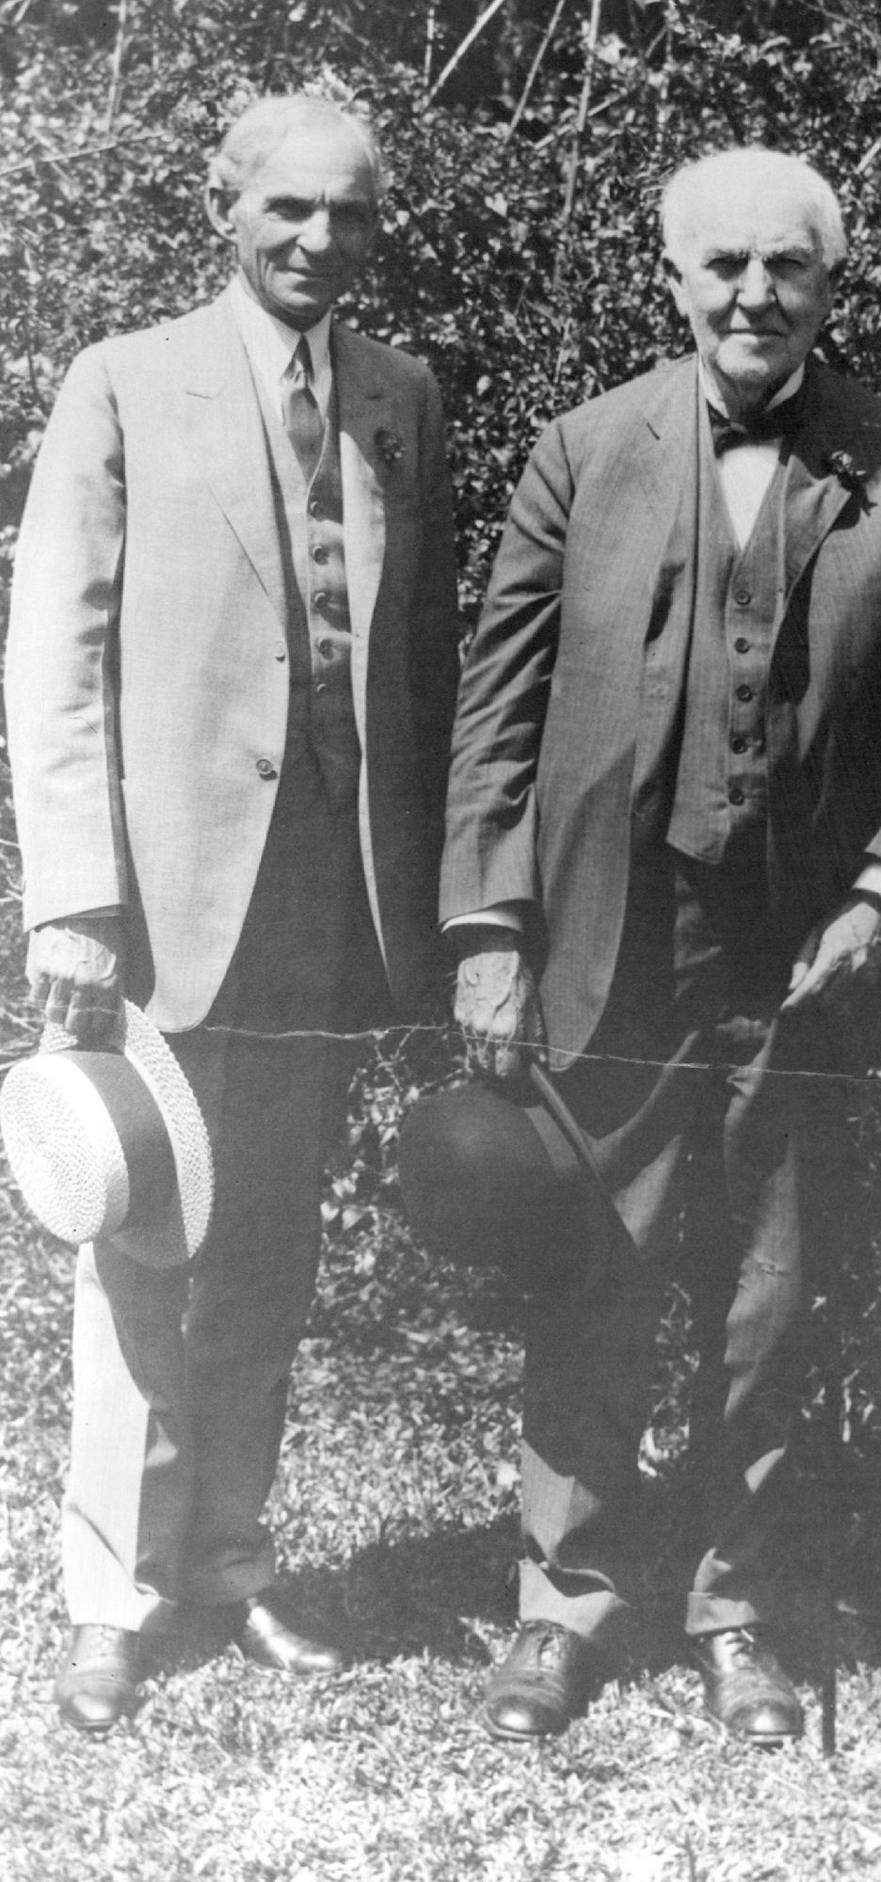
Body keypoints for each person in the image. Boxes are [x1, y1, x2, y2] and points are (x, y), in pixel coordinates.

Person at [441, 146, 881, 1745]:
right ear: (673, 281)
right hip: (615, 931)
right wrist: (490, 927)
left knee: (775, 1294)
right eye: (723, 266)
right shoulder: (583, 449)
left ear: (829, 284)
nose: (755, 294)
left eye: (786, 268)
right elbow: (500, 710)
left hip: (810, 948)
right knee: (592, 1268)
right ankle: (570, 1602)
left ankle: (747, 1607)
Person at [6, 95, 461, 1733]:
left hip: (329, 900)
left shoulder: (404, 396)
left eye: (347, 214)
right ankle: (111, 1591)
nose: (317, 241)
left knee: (271, 1233)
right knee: (143, 1224)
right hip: (163, 896)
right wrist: (73, 898)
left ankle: (227, 1560)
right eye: (286, 209)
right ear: (223, 204)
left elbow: (423, 668)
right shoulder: (123, 381)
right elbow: (52, 650)